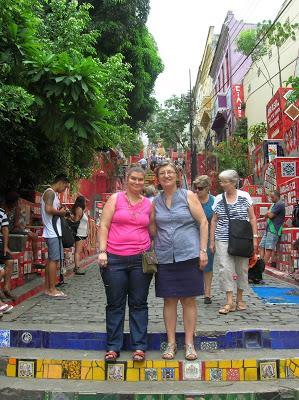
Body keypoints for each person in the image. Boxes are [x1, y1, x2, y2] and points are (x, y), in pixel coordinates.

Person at [151, 161, 208, 361]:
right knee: (169, 299)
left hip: (189, 253)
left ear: (177, 175)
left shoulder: (188, 196)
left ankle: (190, 343)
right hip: (164, 256)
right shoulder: (154, 202)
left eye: (170, 172)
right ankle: (172, 342)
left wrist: (203, 250)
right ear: (157, 178)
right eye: (162, 173)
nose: (166, 175)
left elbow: (203, 221)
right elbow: (152, 229)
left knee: (189, 299)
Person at [98, 166, 152, 362]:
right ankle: (113, 346)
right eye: (134, 179)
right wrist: (102, 251)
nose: (137, 182)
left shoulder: (148, 204)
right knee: (115, 304)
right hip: (114, 258)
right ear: (126, 179)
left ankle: (139, 346)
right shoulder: (115, 199)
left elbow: (153, 229)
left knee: (139, 303)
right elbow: (104, 225)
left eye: (141, 180)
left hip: (140, 259)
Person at [210, 170, 258, 315]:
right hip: (223, 237)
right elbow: (214, 220)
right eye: (221, 181)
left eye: (224, 181)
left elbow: (252, 218)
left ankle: (240, 298)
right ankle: (229, 300)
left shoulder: (244, 197)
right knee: (225, 268)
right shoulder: (218, 198)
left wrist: (255, 237)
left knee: (242, 268)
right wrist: (211, 241)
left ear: (233, 182)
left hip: (242, 238)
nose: (221, 184)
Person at [41, 174, 70, 298]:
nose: (65, 189)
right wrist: (61, 213)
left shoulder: (51, 193)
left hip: (52, 231)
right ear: (61, 182)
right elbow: (48, 209)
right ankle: (52, 289)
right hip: (52, 232)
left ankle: (48, 288)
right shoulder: (50, 193)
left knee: (51, 260)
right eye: (65, 186)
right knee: (54, 260)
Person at [4, 191, 44, 270]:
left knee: (34, 235)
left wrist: (24, 229)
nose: (19, 202)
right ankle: (36, 261)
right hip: (7, 230)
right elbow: (16, 224)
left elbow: (16, 224)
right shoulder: (3, 208)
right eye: (18, 201)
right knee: (33, 235)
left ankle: (36, 261)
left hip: (12, 230)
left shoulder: (16, 208)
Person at [193, 175, 215, 304]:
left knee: (208, 266)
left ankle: (207, 293)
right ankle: (194, 290)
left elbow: (215, 221)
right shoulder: (192, 199)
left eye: (200, 188)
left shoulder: (213, 201)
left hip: (207, 237)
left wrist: (212, 240)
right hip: (191, 236)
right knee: (193, 265)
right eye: (195, 188)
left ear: (207, 188)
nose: (197, 190)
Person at [259, 190, 285, 265]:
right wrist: (267, 214)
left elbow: (270, 215)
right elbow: (267, 215)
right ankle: (261, 263)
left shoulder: (280, 204)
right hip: (268, 229)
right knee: (261, 246)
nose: (271, 199)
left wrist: (267, 214)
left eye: (272, 197)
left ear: (277, 196)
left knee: (269, 248)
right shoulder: (274, 204)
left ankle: (262, 265)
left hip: (274, 229)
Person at [0, 207, 14, 313]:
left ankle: (6, 287)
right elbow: (5, 229)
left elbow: (5, 229)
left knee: (9, 261)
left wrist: (5, 246)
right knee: (1, 271)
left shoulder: (1, 212)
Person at [71, 196, 88, 276]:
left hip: (82, 233)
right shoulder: (79, 209)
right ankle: (77, 267)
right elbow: (76, 221)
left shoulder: (81, 209)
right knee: (77, 251)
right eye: (84, 201)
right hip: (79, 233)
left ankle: (77, 266)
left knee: (78, 251)